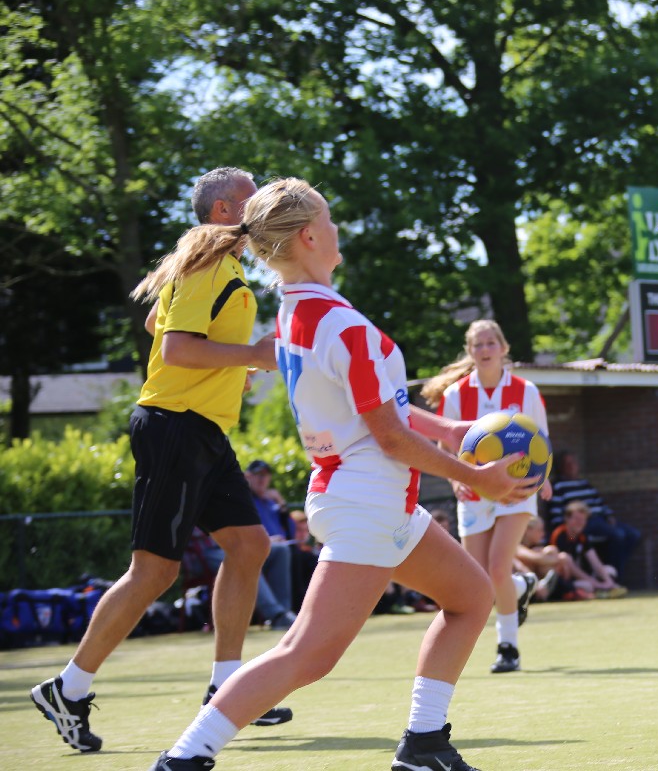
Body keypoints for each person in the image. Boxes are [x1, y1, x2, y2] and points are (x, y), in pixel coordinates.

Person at [147, 177, 540, 771]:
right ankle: (184, 757)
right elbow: (389, 435)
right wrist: (476, 476)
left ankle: (425, 744)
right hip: (368, 501)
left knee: (470, 596)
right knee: (306, 654)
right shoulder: (340, 324)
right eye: (328, 220)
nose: (336, 230)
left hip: (364, 495)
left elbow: (380, 412)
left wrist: (453, 431)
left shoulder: (295, 314)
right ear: (309, 236)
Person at [30, 167, 289, 754]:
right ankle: (68, 689)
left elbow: (156, 323)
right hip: (174, 426)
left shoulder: (215, 264)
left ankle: (226, 689)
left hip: (202, 429)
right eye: (251, 198)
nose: (263, 206)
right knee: (154, 572)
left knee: (250, 546)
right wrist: (248, 354)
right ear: (224, 210)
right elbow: (173, 346)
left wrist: (230, 367)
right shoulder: (208, 263)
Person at [420, 319, 549, 674]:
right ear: (470, 351)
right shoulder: (456, 394)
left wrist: (544, 479)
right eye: (478, 344)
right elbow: (445, 445)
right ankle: (520, 586)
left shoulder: (526, 391)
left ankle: (508, 647)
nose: (485, 349)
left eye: (491, 342)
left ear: (503, 348)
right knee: (478, 578)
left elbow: (542, 440)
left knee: (496, 567)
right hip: (474, 489)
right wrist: (455, 480)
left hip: (518, 488)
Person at [547, 451, 641, 579]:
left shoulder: (585, 484)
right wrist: (570, 528)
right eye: (567, 463)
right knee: (618, 535)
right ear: (561, 467)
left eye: (573, 463)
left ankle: (611, 572)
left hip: (600, 520)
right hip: (587, 525)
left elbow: (601, 503)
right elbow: (558, 519)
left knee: (633, 535)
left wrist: (609, 516)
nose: (571, 466)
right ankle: (613, 576)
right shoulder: (558, 486)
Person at [242, 459, 298, 627]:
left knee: (292, 552)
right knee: (283, 551)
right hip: (251, 550)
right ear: (247, 477)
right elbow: (242, 533)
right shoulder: (244, 499)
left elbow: (291, 532)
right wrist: (267, 540)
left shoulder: (270, 501)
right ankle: (278, 614)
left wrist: (281, 504)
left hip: (275, 550)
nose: (262, 479)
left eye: (265, 475)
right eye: (258, 475)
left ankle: (286, 612)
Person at [549, 501, 627, 597]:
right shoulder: (561, 534)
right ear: (567, 519)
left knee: (610, 571)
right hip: (565, 579)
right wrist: (597, 583)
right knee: (587, 585)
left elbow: (595, 561)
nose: (580, 523)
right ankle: (599, 590)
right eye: (576, 519)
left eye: (583, 519)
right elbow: (572, 568)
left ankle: (606, 589)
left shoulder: (581, 537)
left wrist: (609, 582)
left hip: (583, 576)